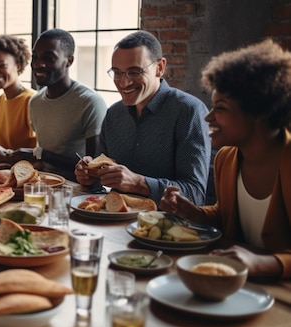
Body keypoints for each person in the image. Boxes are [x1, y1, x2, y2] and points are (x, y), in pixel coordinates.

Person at [160, 39, 291, 279]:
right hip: (237, 283)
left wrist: (262, 263)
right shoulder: (226, 159)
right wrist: (196, 214)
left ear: (259, 112)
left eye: (220, 108)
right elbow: (229, 215)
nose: (209, 117)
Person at [75, 31, 210, 205]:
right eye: (117, 73)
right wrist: (90, 176)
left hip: (168, 226)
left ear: (159, 68)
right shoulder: (113, 114)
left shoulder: (189, 111)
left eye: (134, 72)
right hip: (114, 221)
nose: (123, 83)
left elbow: (195, 194)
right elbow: (101, 184)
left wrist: (140, 183)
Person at [0, 29, 106, 181]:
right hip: (43, 184)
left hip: (79, 191)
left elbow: (94, 169)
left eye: (48, 58)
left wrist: (40, 154)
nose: (38, 64)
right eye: (35, 57)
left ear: (69, 61)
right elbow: (42, 159)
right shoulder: (35, 102)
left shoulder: (89, 102)